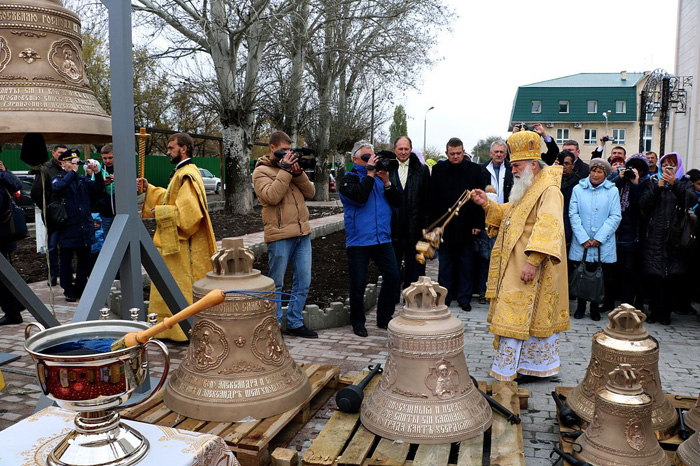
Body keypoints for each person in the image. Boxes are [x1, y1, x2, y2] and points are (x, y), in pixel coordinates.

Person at [471, 130, 569, 383]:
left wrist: (533, 262)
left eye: (516, 165)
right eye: (512, 165)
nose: (512, 170)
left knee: (521, 314)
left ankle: (522, 367)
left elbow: (549, 227)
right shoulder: (528, 186)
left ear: (533, 165)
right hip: (515, 261)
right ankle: (526, 365)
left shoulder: (549, 190)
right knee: (522, 314)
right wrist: (487, 204)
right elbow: (511, 214)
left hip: (531, 264)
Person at [138, 133, 217, 341]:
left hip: (184, 247)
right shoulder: (181, 172)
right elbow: (169, 198)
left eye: (171, 147)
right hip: (174, 244)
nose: (167, 151)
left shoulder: (188, 175)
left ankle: (182, 330)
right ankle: (169, 330)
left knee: (180, 287)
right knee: (170, 284)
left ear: (184, 149)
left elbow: (189, 216)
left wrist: (161, 212)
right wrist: (149, 189)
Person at [253, 131, 317, 338]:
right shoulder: (260, 171)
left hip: (302, 233)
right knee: (276, 283)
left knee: (303, 281)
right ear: (272, 148)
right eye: (285, 150)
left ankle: (295, 322)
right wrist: (285, 171)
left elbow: (311, 193)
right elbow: (271, 197)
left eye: (291, 150)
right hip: (279, 235)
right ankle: (275, 327)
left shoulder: (290, 169)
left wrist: (298, 173)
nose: (289, 154)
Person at [338, 140, 401, 337]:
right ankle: (358, 322)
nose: (371, 160)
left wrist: (387, 183)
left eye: (372, 156)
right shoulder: (348, 179)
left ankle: (384, 318)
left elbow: (398, 203)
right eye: (367, 157)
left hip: (382, 238)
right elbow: (359, 197)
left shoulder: (379, 179)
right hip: (359, 240)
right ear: (355, 158)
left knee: (393, 277)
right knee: (358, 282)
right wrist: (370, 174)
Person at [429, 137, 485, 312]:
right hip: (445, 225)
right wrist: (434, 224)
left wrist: (478, 223)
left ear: (463, 152)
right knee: (445, 263)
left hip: (467, 224)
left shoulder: (475, 170)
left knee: (466, 263)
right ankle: (445, 296)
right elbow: (433, 197)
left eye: (458, 153)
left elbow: (480, 199)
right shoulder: (438, 170)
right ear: (446, 154)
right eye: (452, 154)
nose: (455, 156)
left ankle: (464, 298)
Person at [639, 152, 694, 325]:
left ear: (678, 167)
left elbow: (690, 200)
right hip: (655, 235)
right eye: (665, 165)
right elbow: (643, 204)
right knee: (655, 276)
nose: (667, 168)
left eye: (672, 165)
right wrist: (658, 188)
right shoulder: (653, 182)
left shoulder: (685, 183)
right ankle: (654, 311)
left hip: (675, 238)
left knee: (671, 277)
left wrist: (675, 184)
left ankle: (666, 314)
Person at [569, 158, 621, 320]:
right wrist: (583, 237)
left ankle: (594, 307)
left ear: (605, 174)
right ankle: (581, 305)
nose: (596, 175)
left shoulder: (612, 191)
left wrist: (599, 238)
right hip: (581, 241)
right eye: (593, 171)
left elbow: (615, 216)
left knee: (600, 276)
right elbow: (573, 214)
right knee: (582, 273)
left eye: (600, 172)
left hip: (603, 243)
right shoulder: (578, 189)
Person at [51, 150, 104, 302]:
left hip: (84, 228)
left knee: (84, 261)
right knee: (66, 262)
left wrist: (97, 173)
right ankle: (68, 289)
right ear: (62, 163)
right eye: (70, 161)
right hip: (68, 228)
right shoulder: (58, 179)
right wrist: (72, 173)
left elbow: (98, 190)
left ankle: (81, 288)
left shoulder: (82, 180)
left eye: (76, 161)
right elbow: (58, 188)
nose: (74, 164)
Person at [388, 136, 430, 292]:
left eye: (406, 149)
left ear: (411, 149)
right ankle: (392, 297)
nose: (403, 152)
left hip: (415, 226)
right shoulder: (388, 169)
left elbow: (427, 200)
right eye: (400, 149)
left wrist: (426, 226)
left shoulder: (422, 170)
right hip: (393, 227)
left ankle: (411, 297)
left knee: (414, 267)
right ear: (395, 150)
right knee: (392, 266)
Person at [610, 154, 651, 308]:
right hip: (615, 232)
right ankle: (609, 301)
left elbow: (640, 206)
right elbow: (604, 190)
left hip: (633, 235)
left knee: (629, 271)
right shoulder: (618, 180)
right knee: (612, 270)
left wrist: (635, 184)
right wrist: (619, 178)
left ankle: (626, 304)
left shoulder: (645, 184)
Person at [31, 144, 68, 286]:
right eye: (60, 153)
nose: (63, 155)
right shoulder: (46, 169)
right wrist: (47, 208)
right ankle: (52, 275)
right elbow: (36, 192)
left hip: (67, 213)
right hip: (53, 215)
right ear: (53, 153)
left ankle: (66, 274)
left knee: (67, 246)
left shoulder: (67, 167)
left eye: (65, 153)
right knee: (52, 246)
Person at [0, 158, 25, 325]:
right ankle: (17, 303)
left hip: (2, 235)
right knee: (5, 275)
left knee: (2, 279)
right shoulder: (4, 177)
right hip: (4, 235)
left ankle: (13, 310)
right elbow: (16, 185)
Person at [558, 151, 581, 250]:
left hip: (571, 225)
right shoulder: (552, 180)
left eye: (567, 164)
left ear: (573, 165)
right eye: (561, 163)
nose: (563, 166)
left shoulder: (579, 183)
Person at [96, 144, 116, 236]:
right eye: (105, 158)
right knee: (106, 238)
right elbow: (93, 189)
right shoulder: (98, 170)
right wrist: (102, 184)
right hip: (105, 212)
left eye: (110, 158)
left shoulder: (123, 168)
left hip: (121, 211)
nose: (107, 161)